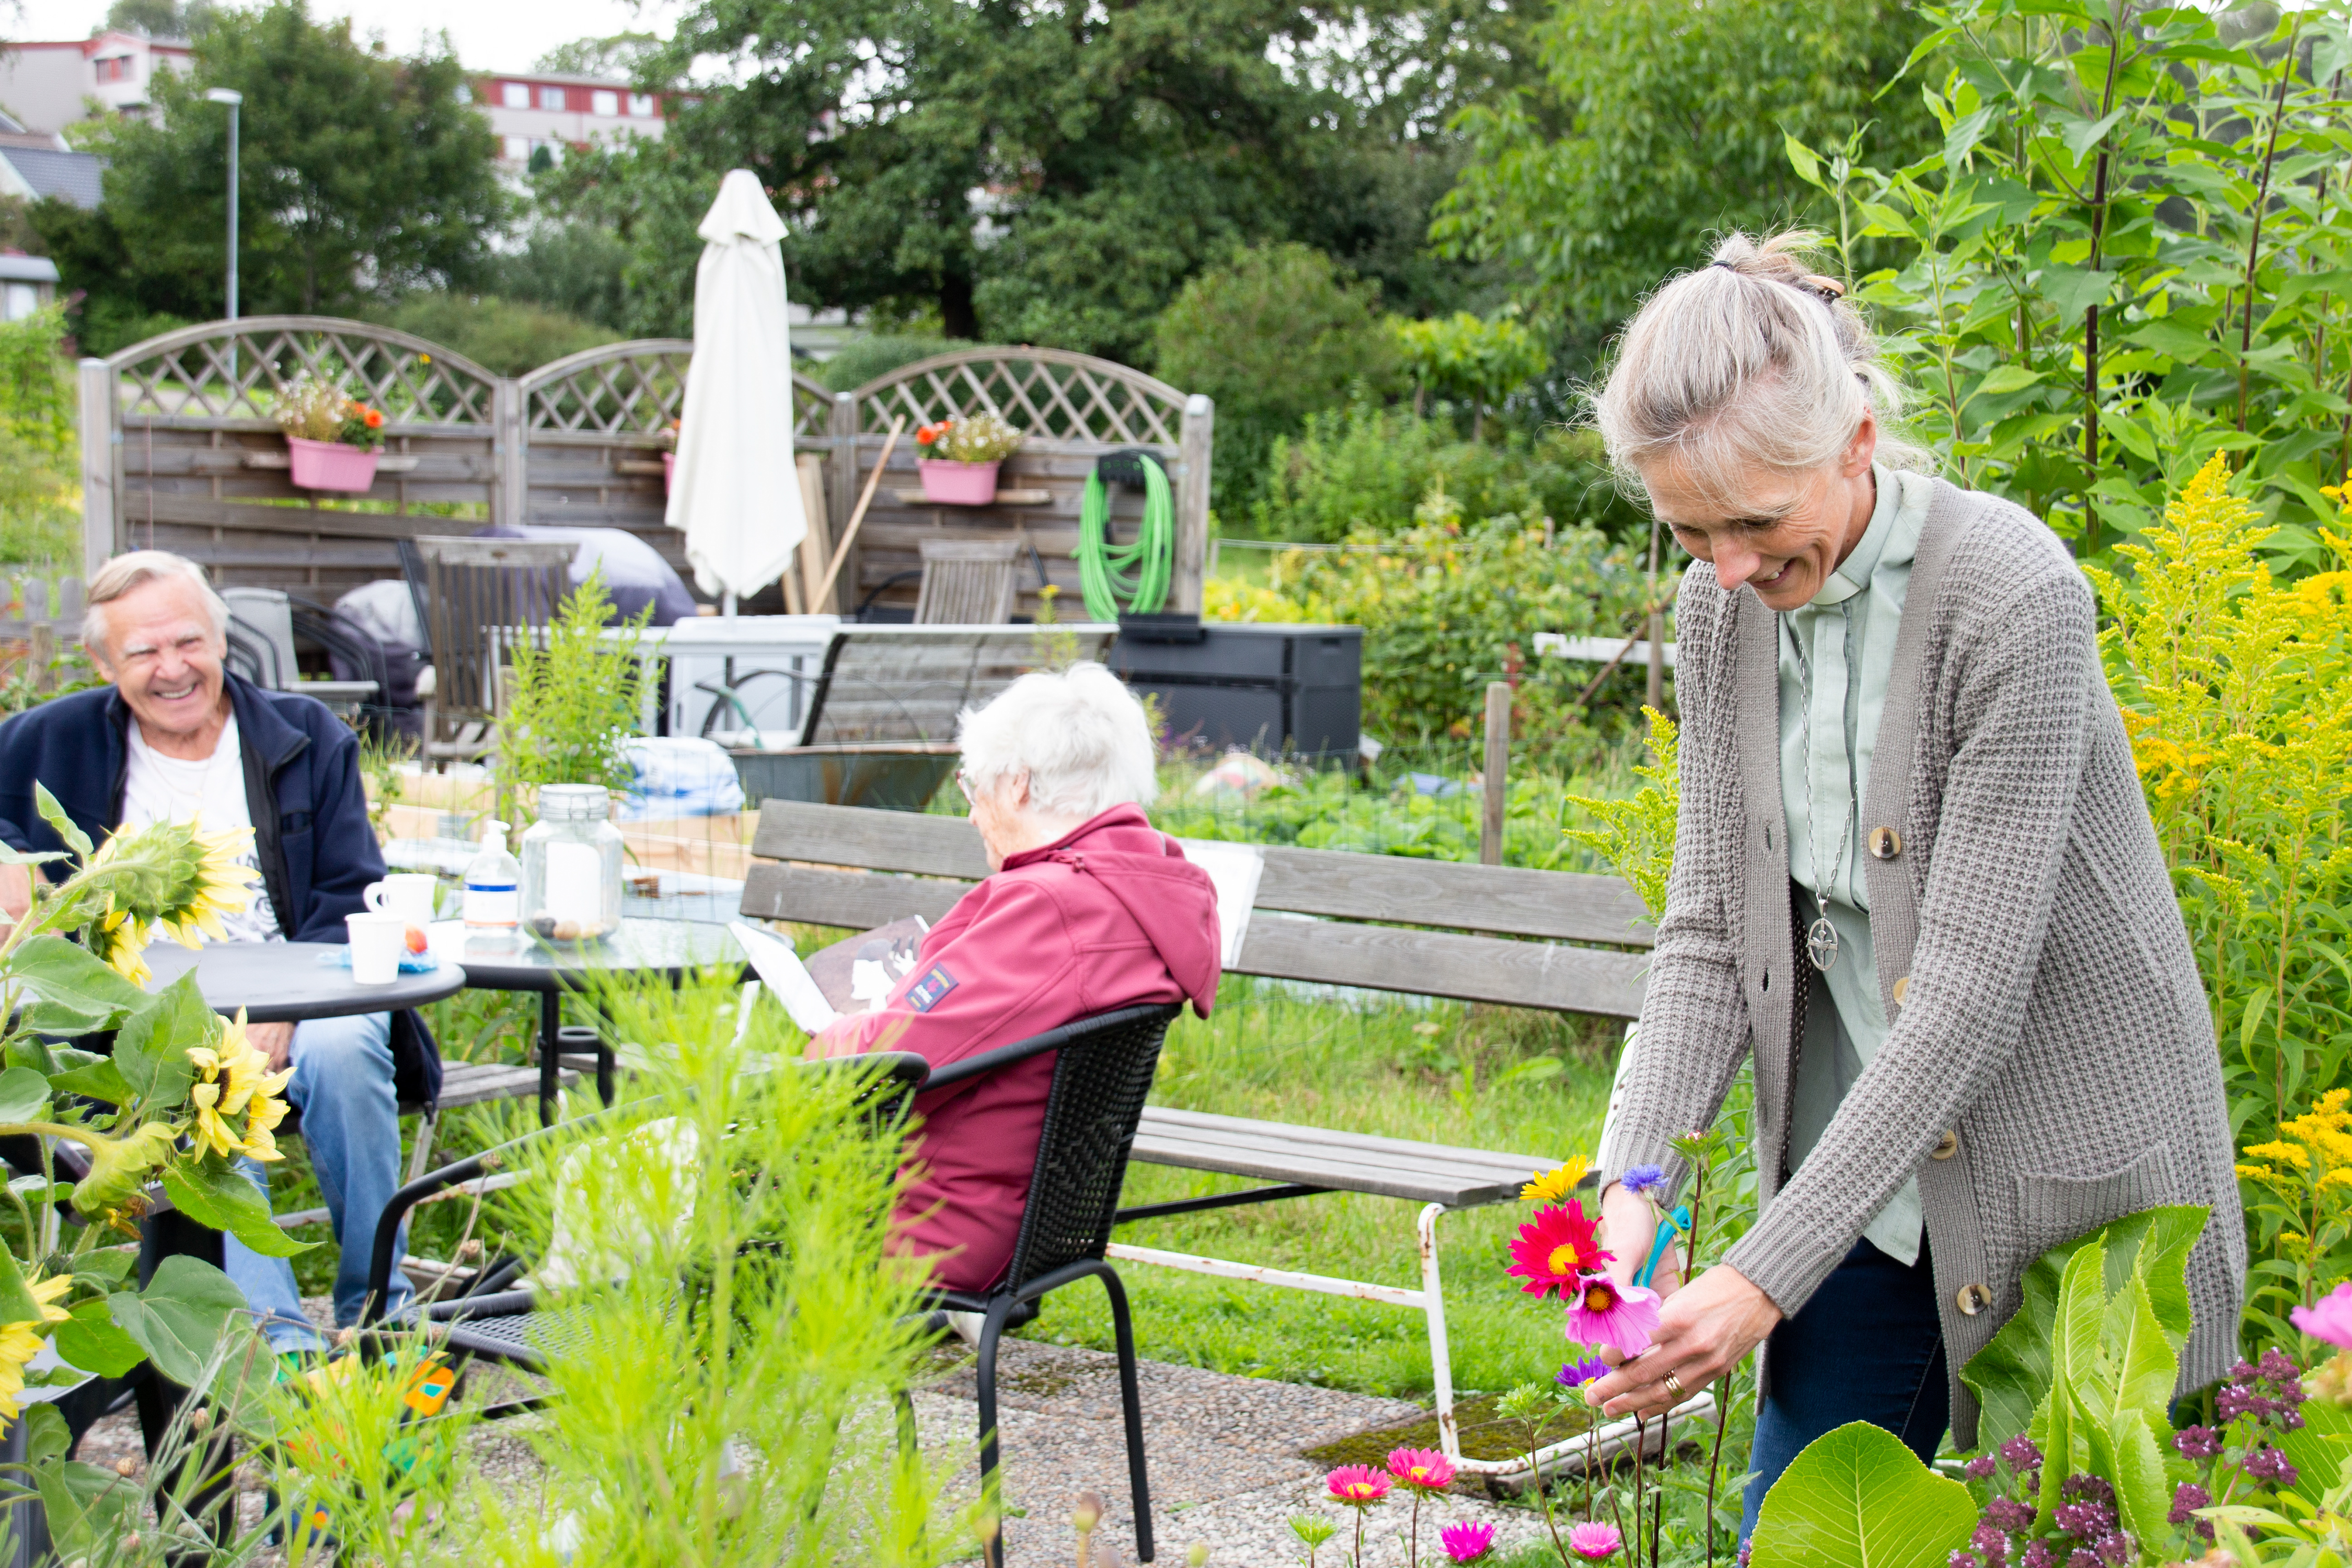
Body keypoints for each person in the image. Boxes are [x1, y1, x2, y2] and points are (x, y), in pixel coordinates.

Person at [1572, 233, 2242, 1526]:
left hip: (2067, 1188)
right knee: (1818, 1538)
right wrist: (1631, 1186)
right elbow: (1709, 928)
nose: (1723, 567)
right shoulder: (1721, 609)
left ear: (1855, 443)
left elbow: (1968, 995)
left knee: (2078, 1538)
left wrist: (1758, 1272)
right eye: (1686, 529)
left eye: (1756, 524)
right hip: (1859, 1193)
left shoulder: (2010, 597)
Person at [0, 551, 440, 1353]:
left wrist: (283, 1013)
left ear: (221, 638)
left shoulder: (304, 736)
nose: (173, 669)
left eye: (189, 643)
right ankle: (280, 1351)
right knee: (201, 1089)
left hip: (309, 1001)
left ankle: (380, 1308)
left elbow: (350, 895)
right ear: (104, 663)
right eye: (143, 653)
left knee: (347, 1049)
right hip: (141, 1024)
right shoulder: (44, 744)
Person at [808, 662, 1219, 1296]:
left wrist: (821, 1037)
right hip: (1022, 1223)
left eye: (974, 788)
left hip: (926, 1231)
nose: (972, 814)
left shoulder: (1049, 910)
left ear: (1020, 785)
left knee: (682, 1190)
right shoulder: (1135, 889)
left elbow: (887, 1061)